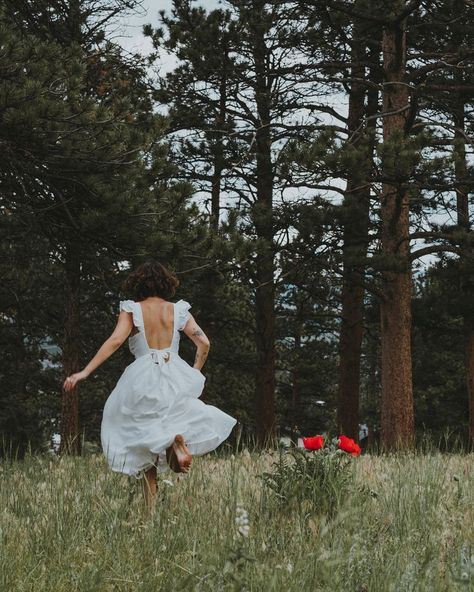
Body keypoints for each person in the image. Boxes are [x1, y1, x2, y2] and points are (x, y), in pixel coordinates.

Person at [62, 259, 237, 510]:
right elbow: (204, 343)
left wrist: (85, 372)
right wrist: (193, 372)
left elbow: (115, 340)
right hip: (174, 372)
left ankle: (149, 512)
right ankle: (174, 442)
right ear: (167, 284)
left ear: (138, 284)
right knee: (167, 424)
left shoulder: (132, 309)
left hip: (143, 376)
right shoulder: (178, 311)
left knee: (137, 436)